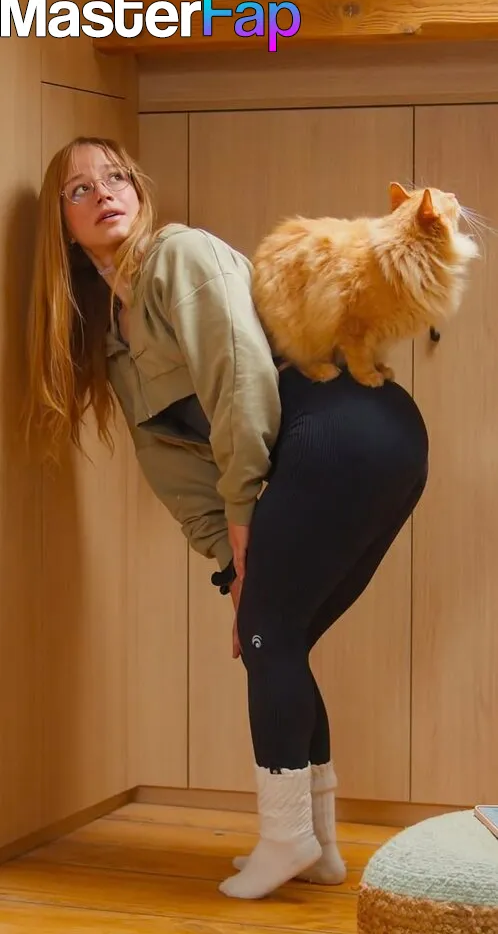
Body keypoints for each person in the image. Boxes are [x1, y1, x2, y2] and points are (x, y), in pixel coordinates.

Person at [25, 136, 429, 901]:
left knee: (268, 634)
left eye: (116, 177)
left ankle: (284, 837)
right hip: (355, 447)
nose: (103, 192)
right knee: (279, 638)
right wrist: (230, 563)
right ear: (64, 227)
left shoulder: (178, 255)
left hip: (350, 426)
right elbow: (175, 472)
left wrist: (246, 527)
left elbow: (241, 382)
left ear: (139, 193)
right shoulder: (115, 341)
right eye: (80, 189)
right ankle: (316, 845)